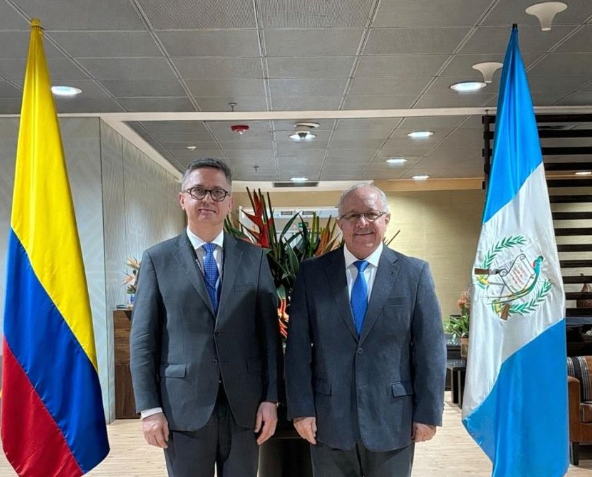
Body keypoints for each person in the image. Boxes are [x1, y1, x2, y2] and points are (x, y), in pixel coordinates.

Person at [130, 158, 281, 477]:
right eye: (198, 191)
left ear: (229, 202)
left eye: (217, 192)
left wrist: (271, 399)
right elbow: (143, 340)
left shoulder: (255, 260)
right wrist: (149, 408)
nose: (208, 199)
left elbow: (269, 338)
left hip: (245, 408)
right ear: (182, 199)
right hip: (182, 407)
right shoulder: (157, 260)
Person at [285, 184, 446, 477]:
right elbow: (297, 349)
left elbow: (430, 349)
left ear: (386, 219)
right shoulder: (312, 273)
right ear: (340, 223)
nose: (362, 223)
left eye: (371, 214)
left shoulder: (414, 273)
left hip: (393, 421)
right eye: (352, 215)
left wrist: (428, 413)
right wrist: (301, 409)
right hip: (328, 422)